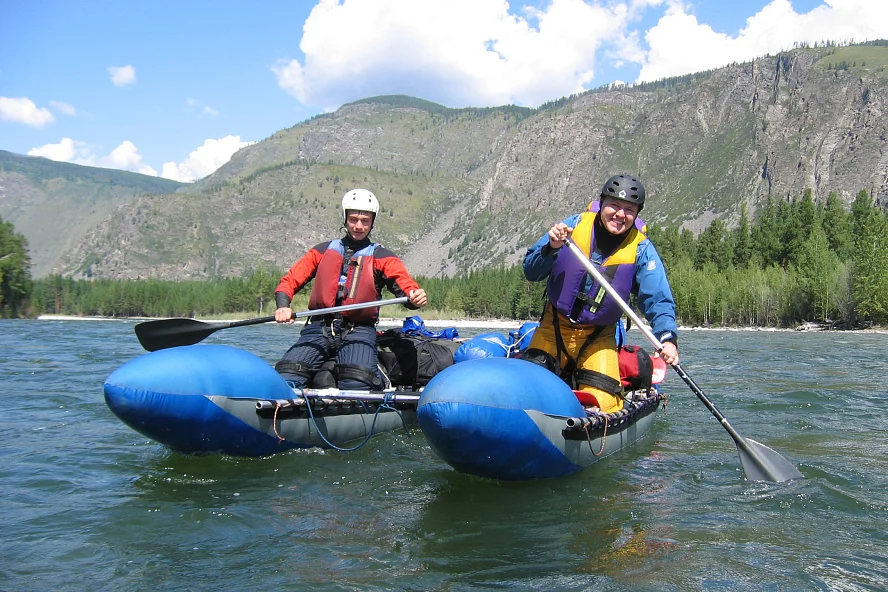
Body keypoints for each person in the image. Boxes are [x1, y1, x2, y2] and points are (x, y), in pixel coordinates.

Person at [521, 174, 679, 413]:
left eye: (629, 209)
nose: (620, 214)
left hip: (598, 336)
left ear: (637, 214)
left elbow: (658, 299)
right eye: (614, 205)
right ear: (601, 203)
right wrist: (551, 247)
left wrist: (667, 339)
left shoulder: (642, 249)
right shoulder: (572, 227)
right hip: (554, 329)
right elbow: (531, 271)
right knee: (526, 391)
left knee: (602, 404)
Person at [273, 189, 428, 390]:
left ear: (373, 222)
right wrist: (283, 306)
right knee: (284, 379)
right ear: (345, 219)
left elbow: (406, 287)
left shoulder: (382, 256)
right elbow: (289, 281)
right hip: (318, 329)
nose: (358, 226)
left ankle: (380, 379)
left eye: (365, 220)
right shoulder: (320, 251)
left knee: (356, 383)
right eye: (353, 219)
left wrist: (415, 297)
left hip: (359, 330)